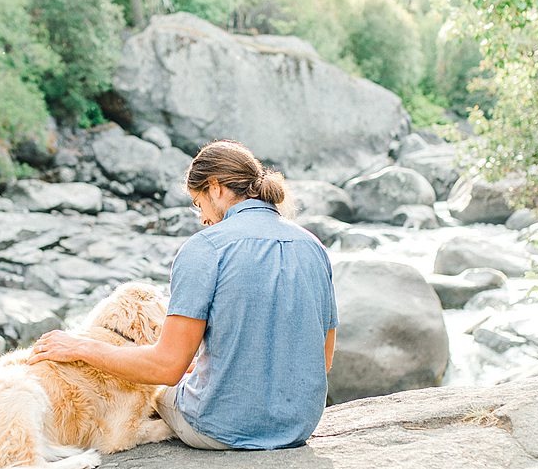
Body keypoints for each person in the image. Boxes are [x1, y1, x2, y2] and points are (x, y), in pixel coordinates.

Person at [29, 139, 338, 450]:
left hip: (220, 428)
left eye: (197, 203)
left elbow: (166, 367)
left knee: (158, 390)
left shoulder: (206, 248)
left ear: (215, 187)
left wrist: (82, 347)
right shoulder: (313, 246)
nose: (202, 218)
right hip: (299, 425)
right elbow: (321, 360)